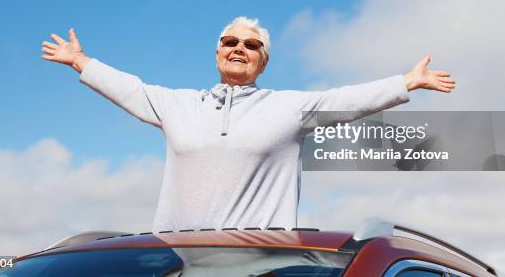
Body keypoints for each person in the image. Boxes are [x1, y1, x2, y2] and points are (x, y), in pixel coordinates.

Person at [41, 17, 455, 232]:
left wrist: (406, 82)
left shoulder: (289, 107)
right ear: (218, 52)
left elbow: (343, 100)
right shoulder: (178, 105)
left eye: (252, 45)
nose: (240, 48)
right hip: (179, 258)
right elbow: (130, 89)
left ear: (264, 61)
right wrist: (81, 61)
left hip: (259, 260)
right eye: (230, 42)